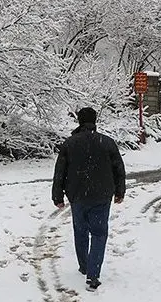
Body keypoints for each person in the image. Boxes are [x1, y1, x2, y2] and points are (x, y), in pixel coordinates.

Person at [52, 107, 126, 291]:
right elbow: (119, 169)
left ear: (79, 121)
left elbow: (59, 171)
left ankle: (84, 265)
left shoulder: (70, 143)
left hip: (77, 196)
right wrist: (120, 191)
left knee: (80, 231)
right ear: (95, 121)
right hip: (102, 196)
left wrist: (57, 196)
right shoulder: (107, 143)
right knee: (100, 233)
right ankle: (93, 275)